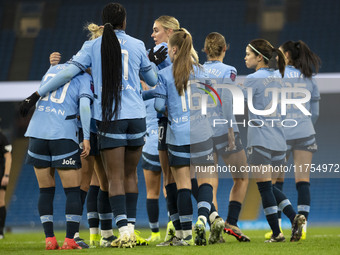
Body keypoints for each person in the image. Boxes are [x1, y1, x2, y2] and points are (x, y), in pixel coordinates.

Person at [20, 3, 162, 248]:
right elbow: (152, 80)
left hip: (108, 118)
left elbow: (66, 74)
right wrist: (150, 63)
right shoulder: (138, 45)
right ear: (124, 22)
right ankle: (117, 229)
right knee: (130, 175)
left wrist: (35, 94)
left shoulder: (91, 46)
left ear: (103, 22)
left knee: (109, 178)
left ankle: (122, 232)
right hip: (136, 117)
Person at [144, 29, 215, 246]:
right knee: (204, 180)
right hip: (203, 133)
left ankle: (184, 235)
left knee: (182, 184)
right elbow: (211, 103)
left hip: (178, 134)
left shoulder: (165, 75)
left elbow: (157, 106)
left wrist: (168, 110)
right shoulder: (203, 72)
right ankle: (203, 218)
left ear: (173, 49)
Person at [24, 62, 92, 250]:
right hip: (62, 134)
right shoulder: (85, 77)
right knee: (72, 191)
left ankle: (49, 239)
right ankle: (70, 240)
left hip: (37, 133)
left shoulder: (53, 69)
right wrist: (86, 137)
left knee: (45, 190)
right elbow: (85, 107)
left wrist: (52, 63)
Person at [243, 39, 305, 242]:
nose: (245, 57)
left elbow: (238, 104)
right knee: (273, 187)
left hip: (260, 139)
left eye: (248, 54)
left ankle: (279, 232)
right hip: (280, 140)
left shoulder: (252, 79)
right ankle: (294, 218)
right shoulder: (280, 77)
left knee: (264, 188)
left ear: (259, 57)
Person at [266, 40, 320, 240]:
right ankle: (303, 226)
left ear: (287, 55)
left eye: (279, 54)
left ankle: (278, 227)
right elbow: (315, 113)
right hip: (305, 132)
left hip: (282, 133)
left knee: (273, 183)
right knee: (303, 181)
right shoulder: (309, 78)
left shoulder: (276, 75)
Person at [202, 32, 250, 243]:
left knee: (210, 182)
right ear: (224, 49)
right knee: (241, 176)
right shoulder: (229, 70)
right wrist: (231, 129)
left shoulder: (196, 70)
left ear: (205, 50)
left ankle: (216, 225)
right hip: (223, 130)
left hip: (203, 132)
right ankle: (231, 221)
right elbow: (228, 101)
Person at [0, 126, 12, 240]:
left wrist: (6, 175)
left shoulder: (2, 137)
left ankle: (0, 231)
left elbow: (8, 157)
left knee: (0, 201)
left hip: (0, 174)